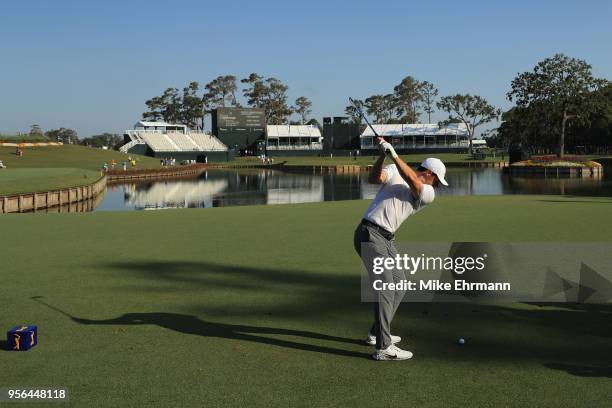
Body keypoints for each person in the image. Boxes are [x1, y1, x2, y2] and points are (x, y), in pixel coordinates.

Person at [354, 137, 447, 361]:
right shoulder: (394, 170)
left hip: (386, 239)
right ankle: (383, 347)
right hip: (369, 233)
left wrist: (394, 154)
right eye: (437, 181)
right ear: (431, 174)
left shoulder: (427, 193)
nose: (436, 186)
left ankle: (377, 332)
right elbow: (374, 178)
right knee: (386, 284)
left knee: (400, 284)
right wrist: (382, 155)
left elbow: (413, 181)